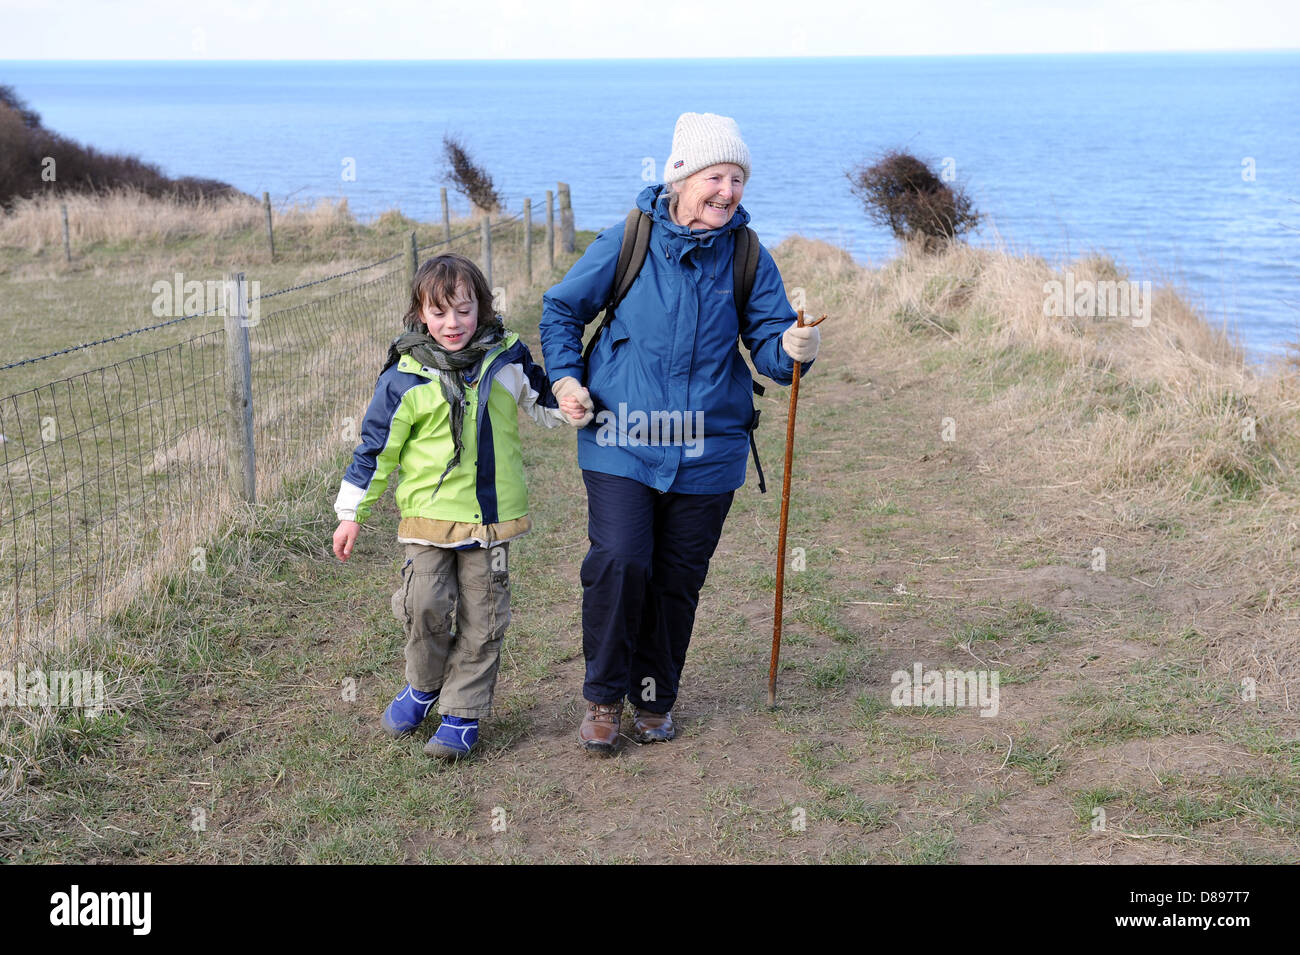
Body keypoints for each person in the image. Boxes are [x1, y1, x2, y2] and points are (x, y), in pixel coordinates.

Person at [540, 112, 822, 755]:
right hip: (622, 437)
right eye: (715, 176)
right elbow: (561, 308)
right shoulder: (629, 239)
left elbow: (773, 359)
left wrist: (794, 346)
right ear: (682, 178)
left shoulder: (748, 254)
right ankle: (603, 698)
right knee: (620, 560)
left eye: (737, 179)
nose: (727, 191)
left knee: (676, 577)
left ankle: (653, 697)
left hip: (709, 448)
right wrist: (564, 379)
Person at [332, 253, 587, 759]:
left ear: (483, 309)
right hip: (426, 521)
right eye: (440, 312)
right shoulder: (404, 377)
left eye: (464, 310)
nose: (453, 324)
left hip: (490, 524)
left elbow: (545, 403)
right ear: (420, 314)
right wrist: (350, 514)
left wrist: (572, 403)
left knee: (483, 615)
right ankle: (423, 686)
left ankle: (461, 714)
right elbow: (375, 450)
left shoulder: (508, 359)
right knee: (423, 604)